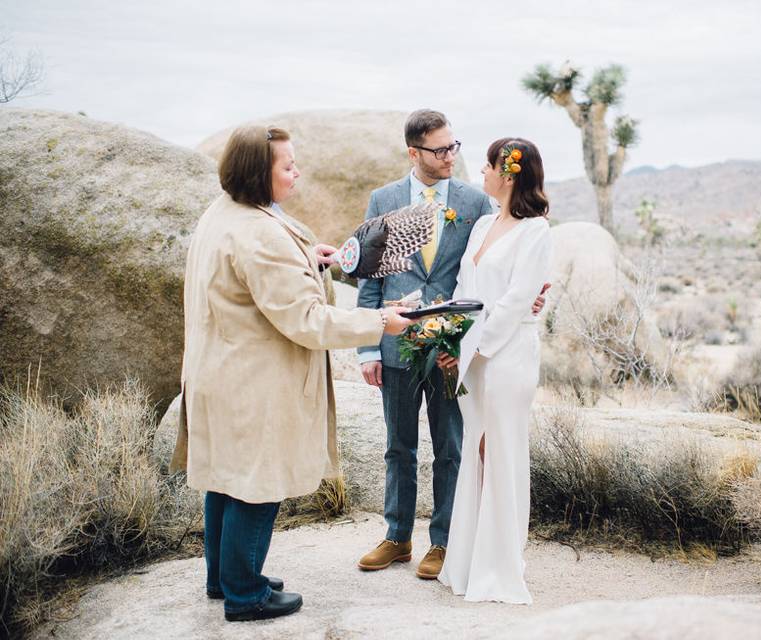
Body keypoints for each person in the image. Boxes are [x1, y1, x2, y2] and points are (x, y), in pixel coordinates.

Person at [169, 125, 411, 622]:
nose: (297, 171)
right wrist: (380, 322)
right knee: (258, 484)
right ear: (261, 173)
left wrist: (312, 259)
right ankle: (246, 595)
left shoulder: (226, 214)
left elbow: (258, 285)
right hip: (255, 382)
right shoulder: (259, 234)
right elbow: (306, 320)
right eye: (287, 165)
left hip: (221, 372)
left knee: (226, 479)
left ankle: (224, 577)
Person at [355, 110, 547, 580]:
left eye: (453, 147)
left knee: (451, 446)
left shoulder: (473, 202)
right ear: (413, 153)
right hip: (398, 344)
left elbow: (505, 260)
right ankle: (397, 536)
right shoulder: (384, 199)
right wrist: (367, 347)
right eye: (439, 150)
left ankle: (443, 541)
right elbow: (369, 275)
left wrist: (532, 301)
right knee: (398, 446)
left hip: (452, 347)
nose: (449, 158)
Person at [437, 138, 553, 604]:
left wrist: (472, 347)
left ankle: (500, 565)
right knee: (475, 451)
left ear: (508, 174)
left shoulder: (536, 232)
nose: (481, 172)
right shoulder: (484, 222)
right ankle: (466, 562)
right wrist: (448, 338)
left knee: (501, 452)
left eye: (487, 165)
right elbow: (467, 290)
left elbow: (518, 299)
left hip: (506, 358)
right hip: (474, 356)